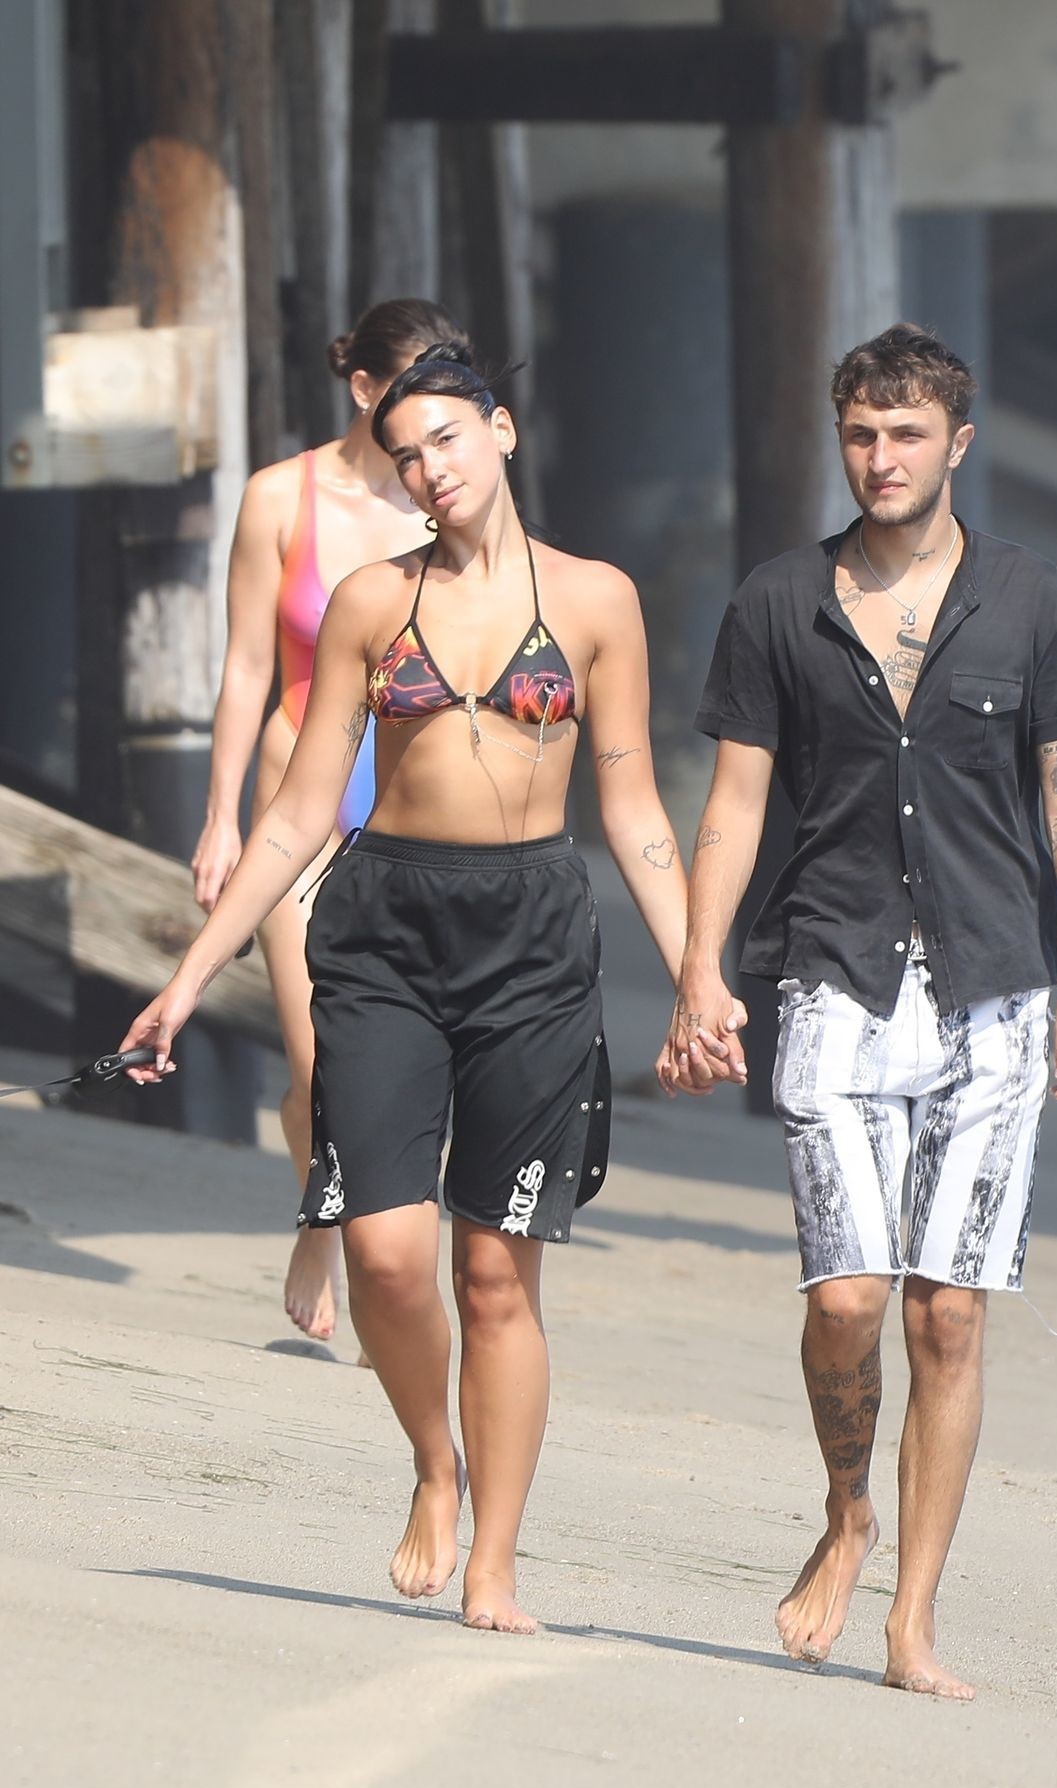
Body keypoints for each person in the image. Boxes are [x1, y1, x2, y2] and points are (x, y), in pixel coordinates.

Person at [125, 342, 696, 1633]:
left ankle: (495, 1557)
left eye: (446, 439)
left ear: (501, 431)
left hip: (533, 937)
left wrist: (697, 974)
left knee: (495, 1274)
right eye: (405, 455)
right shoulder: (373, 603)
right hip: (383, 928)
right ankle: (435, 1466)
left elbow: (635, 811)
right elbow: (295, 814)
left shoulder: (596, 600)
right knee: (386, 1257)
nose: (429, 470)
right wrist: (189, 976)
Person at [664, 322, 1057, 1699]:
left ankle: (912, 1620)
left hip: (997, 990)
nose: (881, 457)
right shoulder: (778, 603)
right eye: (861, 434)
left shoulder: (1033, 602)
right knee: (849, 1298)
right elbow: (735, 802)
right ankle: (846, 1509)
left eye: (906, 434)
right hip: (832, 973)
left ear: (955, 444)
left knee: (947, 1317)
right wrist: (698, 970)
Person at [192, 298, 466, 1345]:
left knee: (393, 1066)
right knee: (318, 1062)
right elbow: (244, 668)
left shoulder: (448, 500)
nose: (434, 416)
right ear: (364, 388)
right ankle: (328, 1222)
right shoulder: (280, 496)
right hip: (296, 798)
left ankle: (342, 1219)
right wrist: (220, 820)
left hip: (411, 807)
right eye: (416, 385)